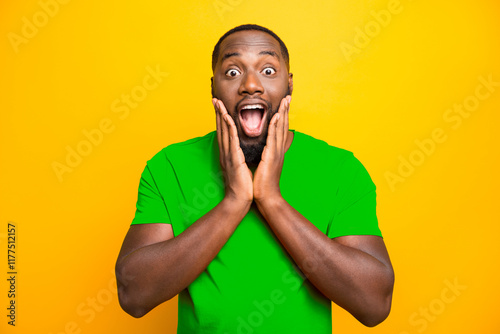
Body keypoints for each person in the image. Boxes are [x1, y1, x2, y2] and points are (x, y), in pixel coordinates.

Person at [115, 24, 394, 333]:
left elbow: (374, 305)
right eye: (233, 72)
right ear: (213, 88)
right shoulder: (169, 166)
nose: (250, 85)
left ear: (289, 86)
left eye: (268, 70)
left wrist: (271, 200)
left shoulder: (340, 169)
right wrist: (234, 202)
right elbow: (133, 294)